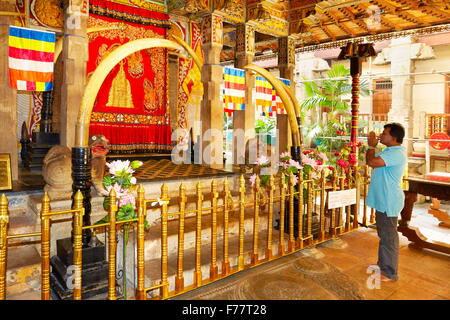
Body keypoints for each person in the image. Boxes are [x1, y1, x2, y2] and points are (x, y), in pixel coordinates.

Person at [366, 123, 407, 282]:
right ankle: (383, 265)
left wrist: (371, 147)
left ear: (394, 137)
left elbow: (372, 162)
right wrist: (372, 148)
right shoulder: (390, 151)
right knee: (384, 235)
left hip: (389, 200)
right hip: (384, 199)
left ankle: (389, 272)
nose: (381, 135)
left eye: (384, 133)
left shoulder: (396, 153)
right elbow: (372, 161)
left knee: (389, 237)